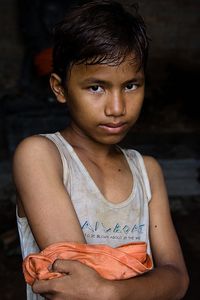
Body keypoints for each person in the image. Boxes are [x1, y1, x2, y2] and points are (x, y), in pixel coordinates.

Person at [13, 1, 189, 299]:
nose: (117, 108)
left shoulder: (147, 172)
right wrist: (146, 283)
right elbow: (76, 280)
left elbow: (178, 280)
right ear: (60, 88)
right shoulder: (42, 156)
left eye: (131, 85)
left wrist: (109, 291)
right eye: (96, 87)